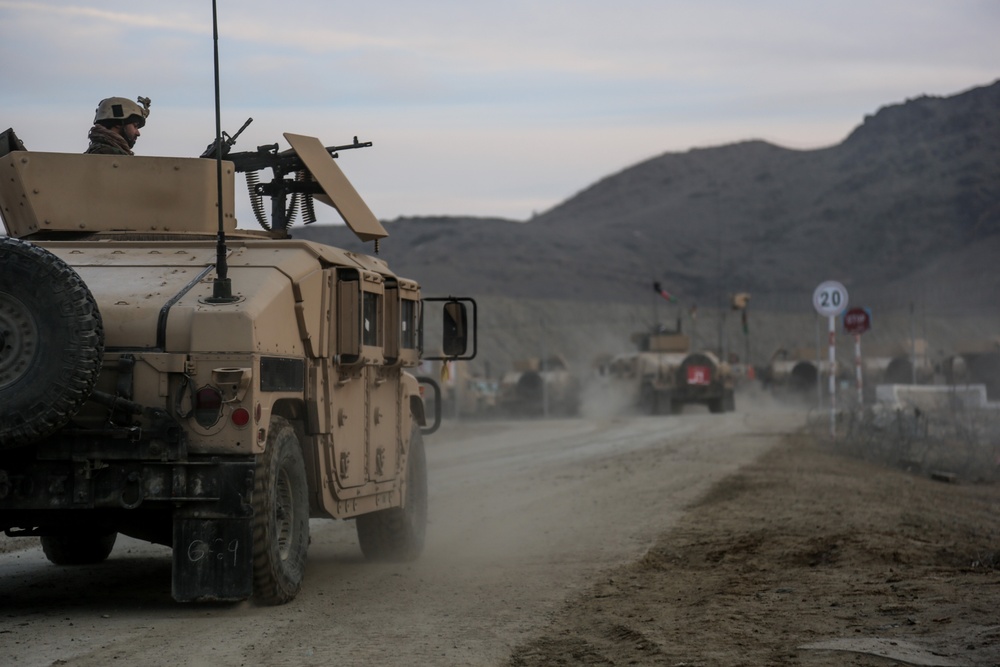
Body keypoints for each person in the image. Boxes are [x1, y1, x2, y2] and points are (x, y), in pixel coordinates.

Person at [85, 96, 150, 155]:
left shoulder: (95, 151)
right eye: (135, 126)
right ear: (118, 124)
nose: (138, 133)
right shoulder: (109, 154)